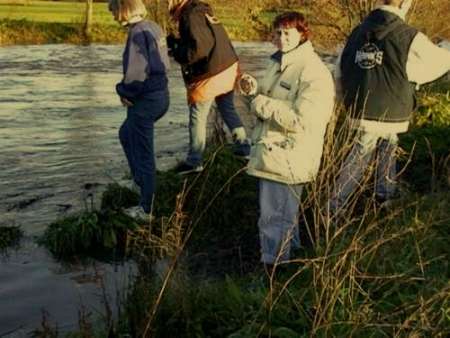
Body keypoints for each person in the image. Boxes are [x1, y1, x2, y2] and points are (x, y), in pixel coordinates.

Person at [330, 0, 450, 215]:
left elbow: (339, 69)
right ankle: (334, 206)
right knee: (362, 152)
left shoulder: (357, 32)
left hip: (359, 106)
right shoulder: (408, 35)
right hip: (391, 107)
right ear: (405, 4)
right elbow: (439, 62)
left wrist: (344, 100)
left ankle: (385, 193)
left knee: (387, 144)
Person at [239, 12, 335, 267]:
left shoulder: (313, 72)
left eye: (287, 33)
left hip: (289, 158)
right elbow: (273, 99)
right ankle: (290, 264)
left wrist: (259, 102)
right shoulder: (278, 62)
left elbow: (303, 121)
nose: (281, 38)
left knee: (274, 219)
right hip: (272, 154)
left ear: (303, 34)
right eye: (277, 32)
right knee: (283, 218)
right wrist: (254, 90)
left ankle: (274, 272)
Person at [166, 0, 250, 175]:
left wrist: (176, 50)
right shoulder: (201, 10)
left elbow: (198, 49)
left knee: (198, 115)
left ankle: (194, 161)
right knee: (227, 107)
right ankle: (244, 149)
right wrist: (179, 43)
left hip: (213, 71)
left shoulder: (189, 15)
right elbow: (206, 40)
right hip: (227, 66)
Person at [108, 0, 170, 220]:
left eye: (114, 10)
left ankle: (146, 208)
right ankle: (139, 182)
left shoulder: (136, 33)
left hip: (145, 99)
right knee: (126, 134)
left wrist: (123, 92)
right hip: (161, 95)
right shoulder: (152, 26)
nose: (113, 15)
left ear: (123, 9)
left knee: (144, 154)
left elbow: (136, 74)